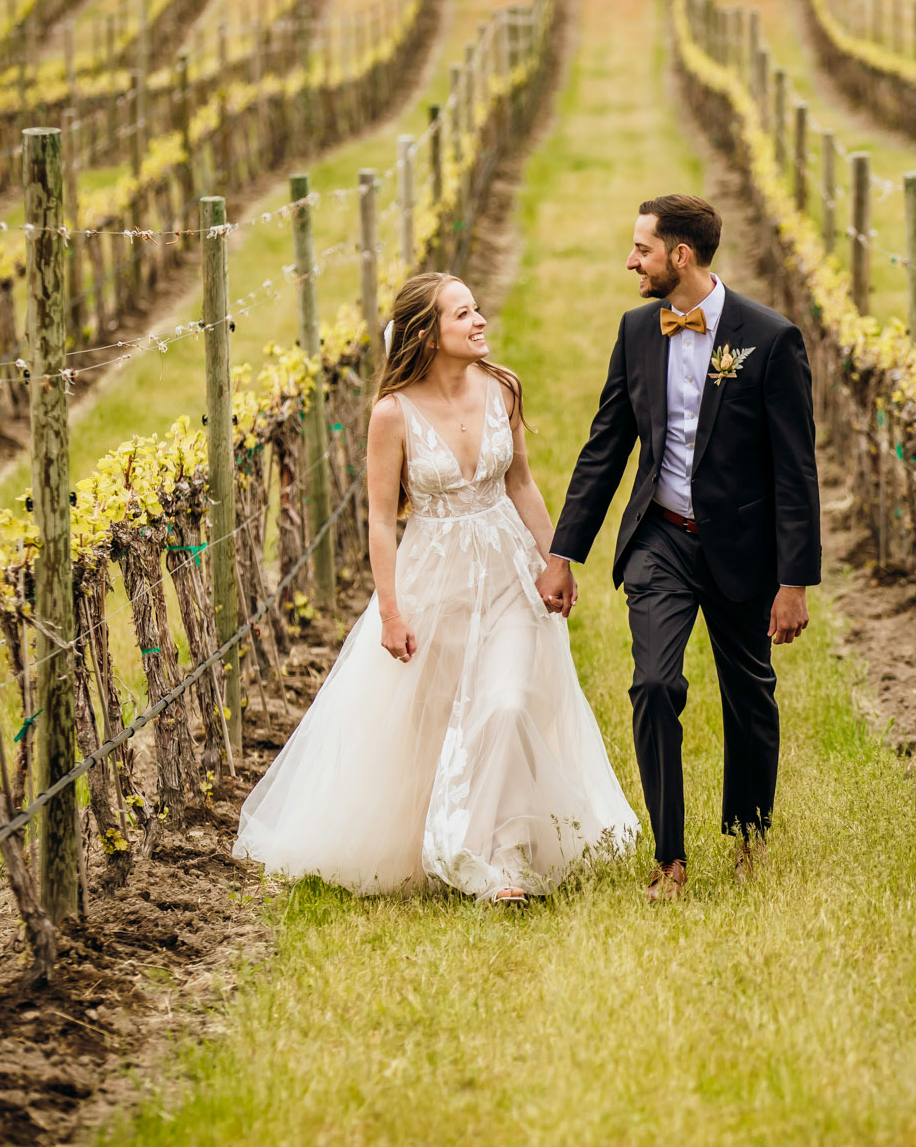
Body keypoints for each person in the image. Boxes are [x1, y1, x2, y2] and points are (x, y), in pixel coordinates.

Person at [234, 272, 640, 904]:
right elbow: (377, 518)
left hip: (508, 566)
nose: (479, 321)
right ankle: (437, 836)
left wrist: (554, 558)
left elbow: (522, 484)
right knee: (441, 717)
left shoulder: (503, 387)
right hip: (435, 575)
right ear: (427, 334)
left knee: (505, 703)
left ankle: (496, 858)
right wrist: (391, 612)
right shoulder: (392, 414)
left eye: (477, 309)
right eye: (463, 314)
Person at [539, 194, 821, 902]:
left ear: (680, 256)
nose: (630, 260)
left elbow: (797, 468)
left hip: (742, 549)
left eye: (641, 248)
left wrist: (795, 580)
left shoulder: (770, 337)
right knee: (654, 684)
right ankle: (670, 858)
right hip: (659, 538)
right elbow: (605, 448)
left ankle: (749, 831)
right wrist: (561, 552)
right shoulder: (637, 330)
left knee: (749, 695)